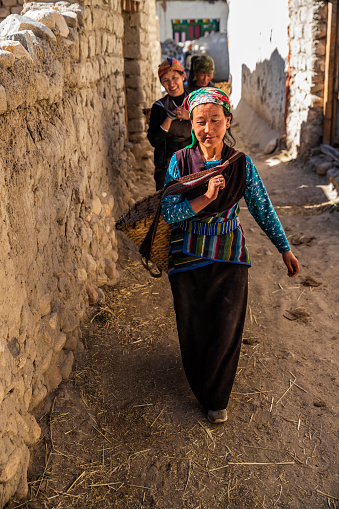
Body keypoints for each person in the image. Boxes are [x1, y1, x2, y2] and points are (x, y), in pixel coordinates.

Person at [161, 87, 299, 424]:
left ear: (228, 121)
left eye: (215, 121)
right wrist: (205, 198)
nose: (208, 129)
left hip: (229, 254)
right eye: (200, 122)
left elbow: (262, 208)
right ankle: (200, 384)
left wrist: (284, 248)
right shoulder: (179, 162)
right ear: (191, 124)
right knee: (193, 327)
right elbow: (168, 212)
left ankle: (217, 396)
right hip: (187, 256)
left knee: (226, 326)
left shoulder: (241, 165)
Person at [147, 58, 192, 190]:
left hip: (193, 163)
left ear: (183, 76)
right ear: (161, 83)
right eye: (165, 80)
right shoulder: (159, 107)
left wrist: (189, 116)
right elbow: (154, 141)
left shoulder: (195, 102)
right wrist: (169, 119)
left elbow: (208, 129)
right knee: (167, 203)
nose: (171, 84)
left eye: (175, 77)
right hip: (166, 165)